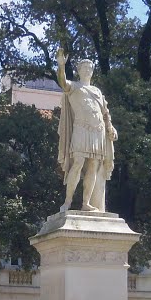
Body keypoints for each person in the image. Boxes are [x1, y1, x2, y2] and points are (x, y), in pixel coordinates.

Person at [55, 47, 117, 212]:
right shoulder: (74, 86)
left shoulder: (97, 91)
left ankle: (86, 203)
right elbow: (62, 82)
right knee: (78, 163)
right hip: (81, 129)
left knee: (93, 166)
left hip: (98, 131)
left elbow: (105, 112)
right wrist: (61, 66)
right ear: (79, 71)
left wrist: (110, 127)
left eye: (90, 68)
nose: (87, 70)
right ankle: (67, 202)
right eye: (84, 68)